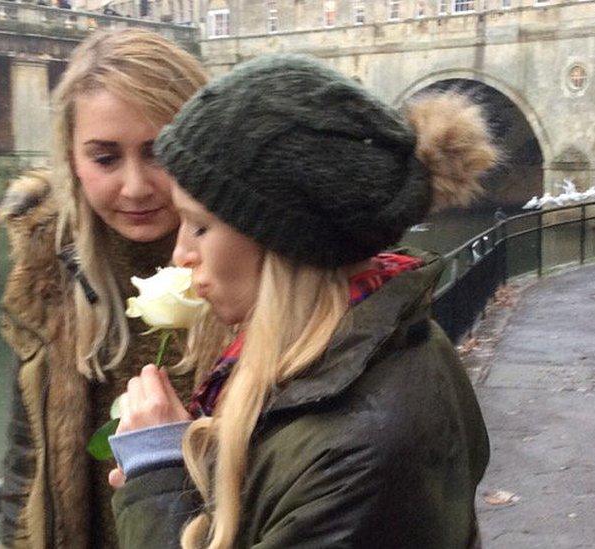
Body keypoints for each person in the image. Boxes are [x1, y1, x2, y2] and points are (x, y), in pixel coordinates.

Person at [108, 54, 496, 548]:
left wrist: (157, 476)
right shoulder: (381, 345)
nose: (182, 254)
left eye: (201, 226)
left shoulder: (357, 447)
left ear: (284, 242)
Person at [0, 29, 222, 548]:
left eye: (160, 152)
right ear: (72, 161)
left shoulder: (254, 276)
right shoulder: (46, 275)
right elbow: (27, 468)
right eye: (104, 158)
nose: (136, 186)